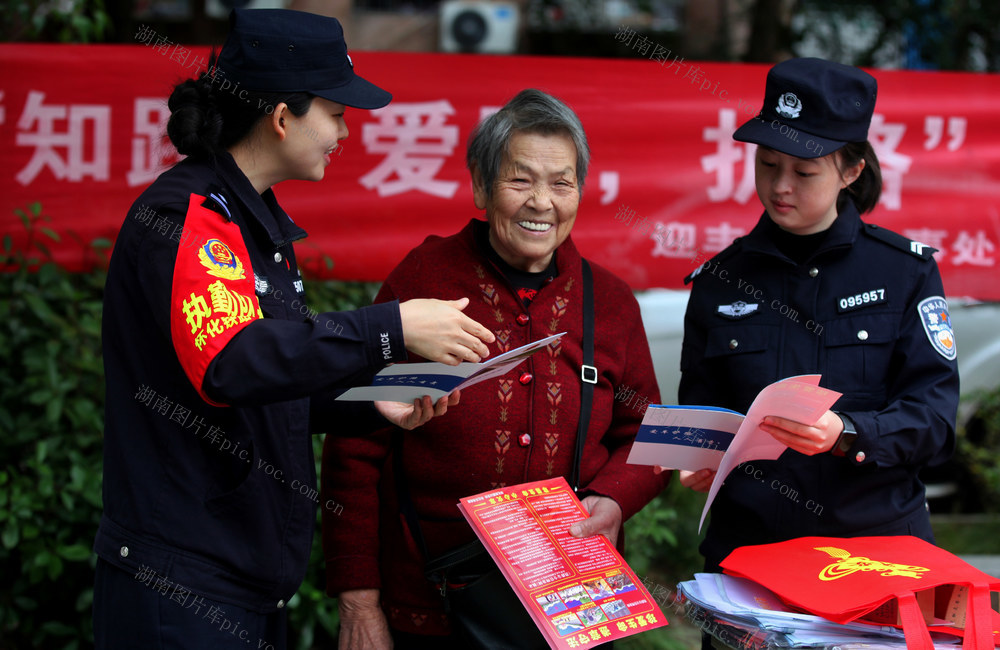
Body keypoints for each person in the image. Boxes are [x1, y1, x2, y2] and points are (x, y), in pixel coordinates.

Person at [93, 8, 494, 649]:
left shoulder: (256, 225)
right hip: (184, 588)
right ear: (283, 117)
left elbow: (275, 379)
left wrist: (371, 396)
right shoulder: (188, 213)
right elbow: (232, 362)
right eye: (336, 114)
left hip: (242, 585)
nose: (344, 133)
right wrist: (388, 327)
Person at [320, 89, 670, 648]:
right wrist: (360, 603)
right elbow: (354, 449)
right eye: (520, 180)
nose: (542, 202)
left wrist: (614, 500)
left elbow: (651, 435)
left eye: (561, 182)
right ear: (481, 188)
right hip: (431, 605)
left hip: (573, 606)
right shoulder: (424, 282)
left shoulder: (610, 301)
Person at [677, 58, 959, 583]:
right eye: (767, 164)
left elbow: (935, 423)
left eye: (804, 172)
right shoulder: (720, 280)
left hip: (875, 558)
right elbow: (701, 405)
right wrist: (698, 454)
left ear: (851, 172)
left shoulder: (904, 273)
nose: (781, 186)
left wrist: (847, 433)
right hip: (749, 561)